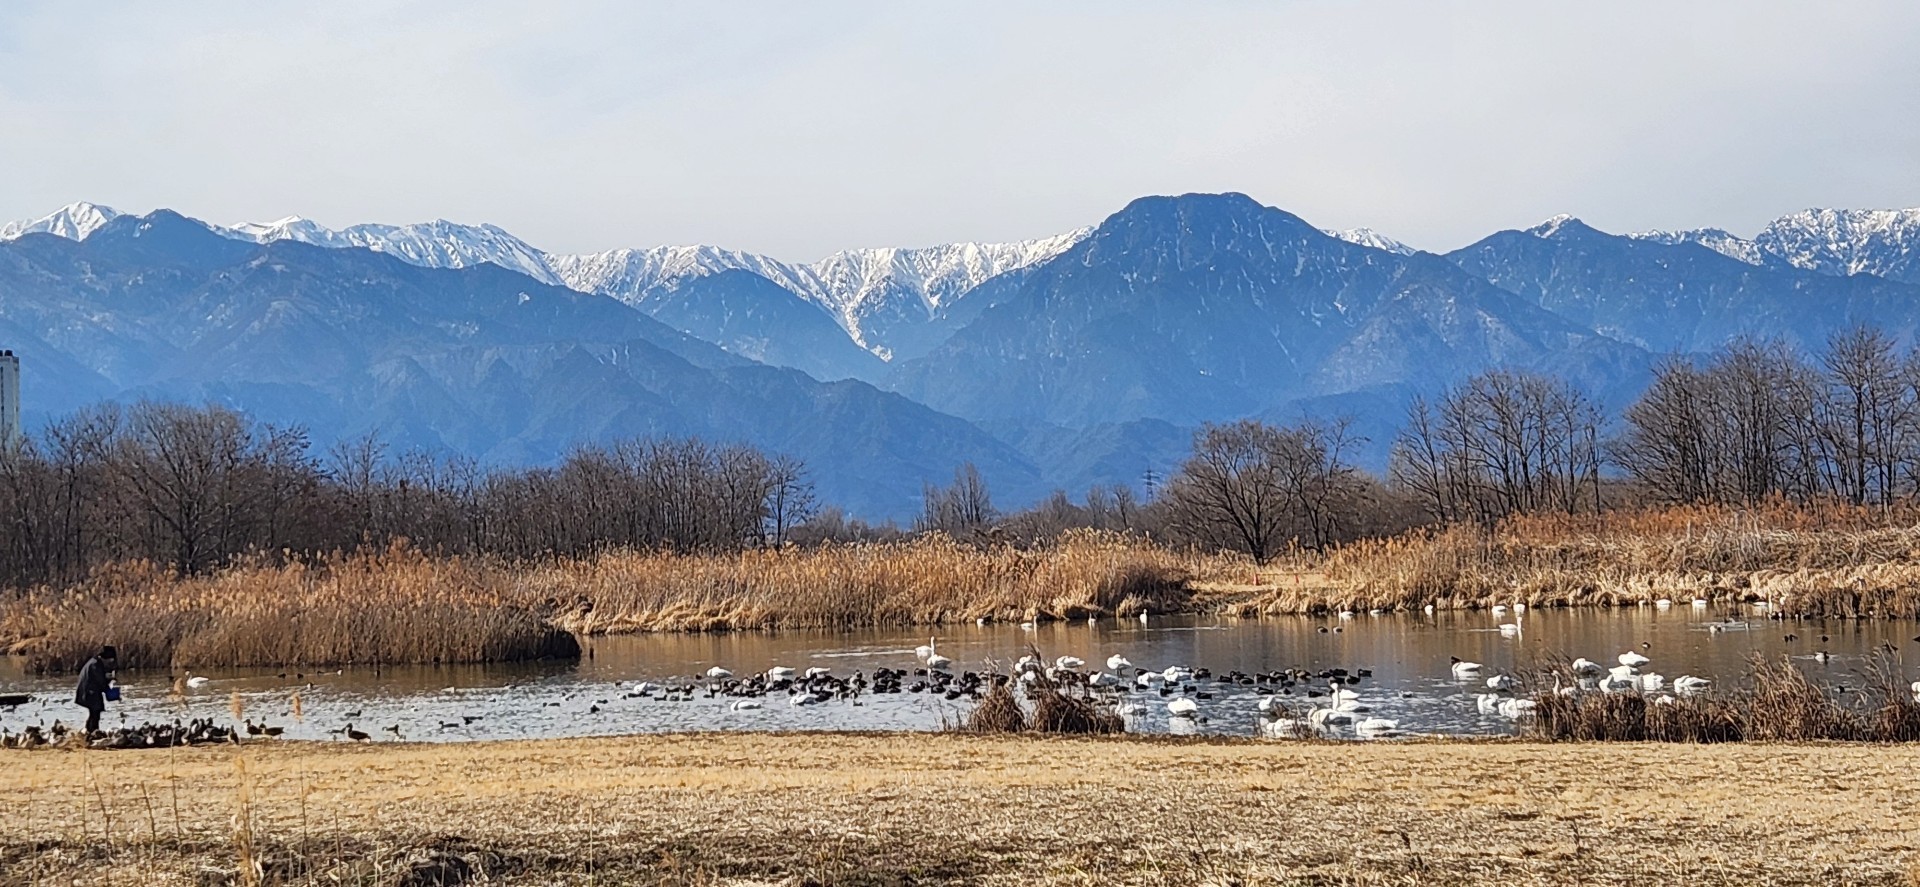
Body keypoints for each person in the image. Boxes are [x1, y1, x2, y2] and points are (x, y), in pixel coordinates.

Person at [74, 645, 116, 734]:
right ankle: (93, 732)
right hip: (89, 692)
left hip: (88, 691)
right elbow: (101, 681)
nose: (110, 662)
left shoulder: (94, 662)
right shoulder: (95, 664)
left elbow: (99, 679)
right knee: (95, 713)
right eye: (109, 659)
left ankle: (89, 732)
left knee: (93, 713)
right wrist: (110, 689)